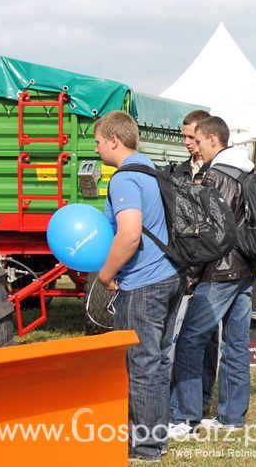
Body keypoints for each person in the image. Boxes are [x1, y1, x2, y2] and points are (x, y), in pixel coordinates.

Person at [95, 111, 183, 461]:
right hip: (169, 275)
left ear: (114, 140)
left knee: (141, 364)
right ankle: (156, 438)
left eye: (99, 142)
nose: (98, 149)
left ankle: (144, 448)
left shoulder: (123, 178)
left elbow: (129, 234)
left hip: (143, 283)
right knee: (158, 362)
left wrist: (105, 272)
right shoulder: (150, 168)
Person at [170, 117, 256, 437]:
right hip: (246, 269)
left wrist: (190, 277)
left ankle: (184, 417)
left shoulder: (216, 176)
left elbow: (206, 233)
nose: (196, 147)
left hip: (219, 273)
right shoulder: (246, 171)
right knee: (236, 344)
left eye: (198, 140)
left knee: (190, 341)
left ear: (211, 140)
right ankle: (232, 417)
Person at [169, 109, 219, 419]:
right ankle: (182, 396)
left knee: (206, 337)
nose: (188, 142)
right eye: (184, 136)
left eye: (192, 136)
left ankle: (200, 398)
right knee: (182, 332)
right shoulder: (178, 171)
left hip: (210, 266)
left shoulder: (217, 170)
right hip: (183, 262)